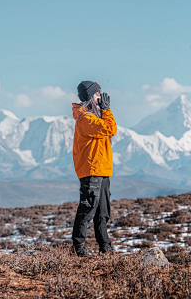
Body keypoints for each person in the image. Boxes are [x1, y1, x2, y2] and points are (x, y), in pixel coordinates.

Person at [72, 81, 117, 257]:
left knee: (102, 212)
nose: (101, 97)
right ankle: (78, 249)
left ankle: (105, 247)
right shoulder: (86, 118)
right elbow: (110, 128)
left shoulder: (92, 118)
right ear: (92, 97)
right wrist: (106, 110)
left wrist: (103, 111)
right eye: (98, 94)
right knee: (88, 209)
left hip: (102, 169)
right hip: (92, 170)